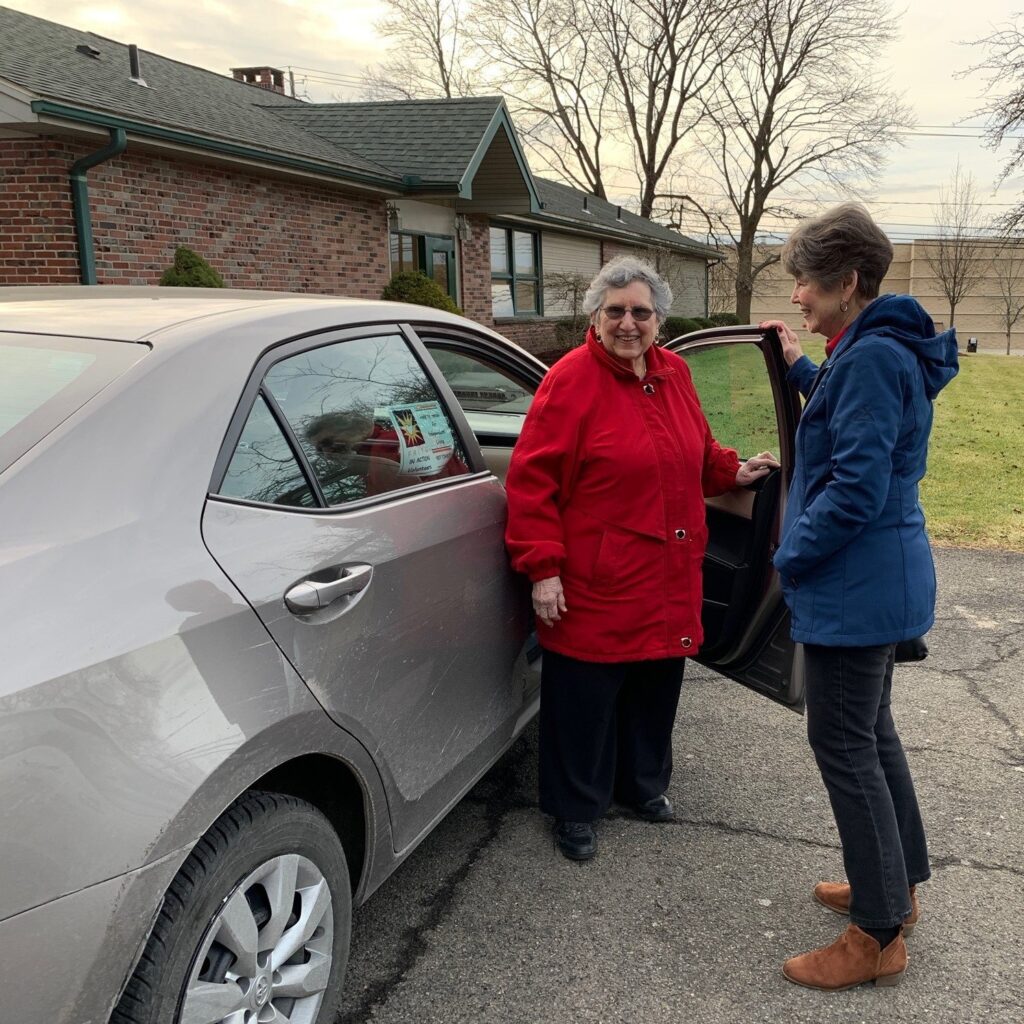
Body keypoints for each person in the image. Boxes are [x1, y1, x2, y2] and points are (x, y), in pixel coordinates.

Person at [504, 255, 778, 862]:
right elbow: (532, 482)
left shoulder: (675, 371)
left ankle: (642, 787)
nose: (629, 323)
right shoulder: (570, 380)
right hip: (597, 575)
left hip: (668, 569)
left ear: (659, 318)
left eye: (641, 312)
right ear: (597, 317)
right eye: (616, 311)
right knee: (585, 698)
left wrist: (732, 470)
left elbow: (695, 448)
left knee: (656, 684)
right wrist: (542, 569)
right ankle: (576, 809)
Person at [760, 203, 958, 990]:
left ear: (846, 281)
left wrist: (788, 557)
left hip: (856, 583)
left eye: (806, 282)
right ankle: (894, 886)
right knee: (871, 737)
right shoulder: (871, 348)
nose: (800, 297)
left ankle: (876, 934)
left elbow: (856, 487)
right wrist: (803, 369)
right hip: (875, 577)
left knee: (845, 745)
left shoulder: (873, 357)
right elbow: (853, 423)